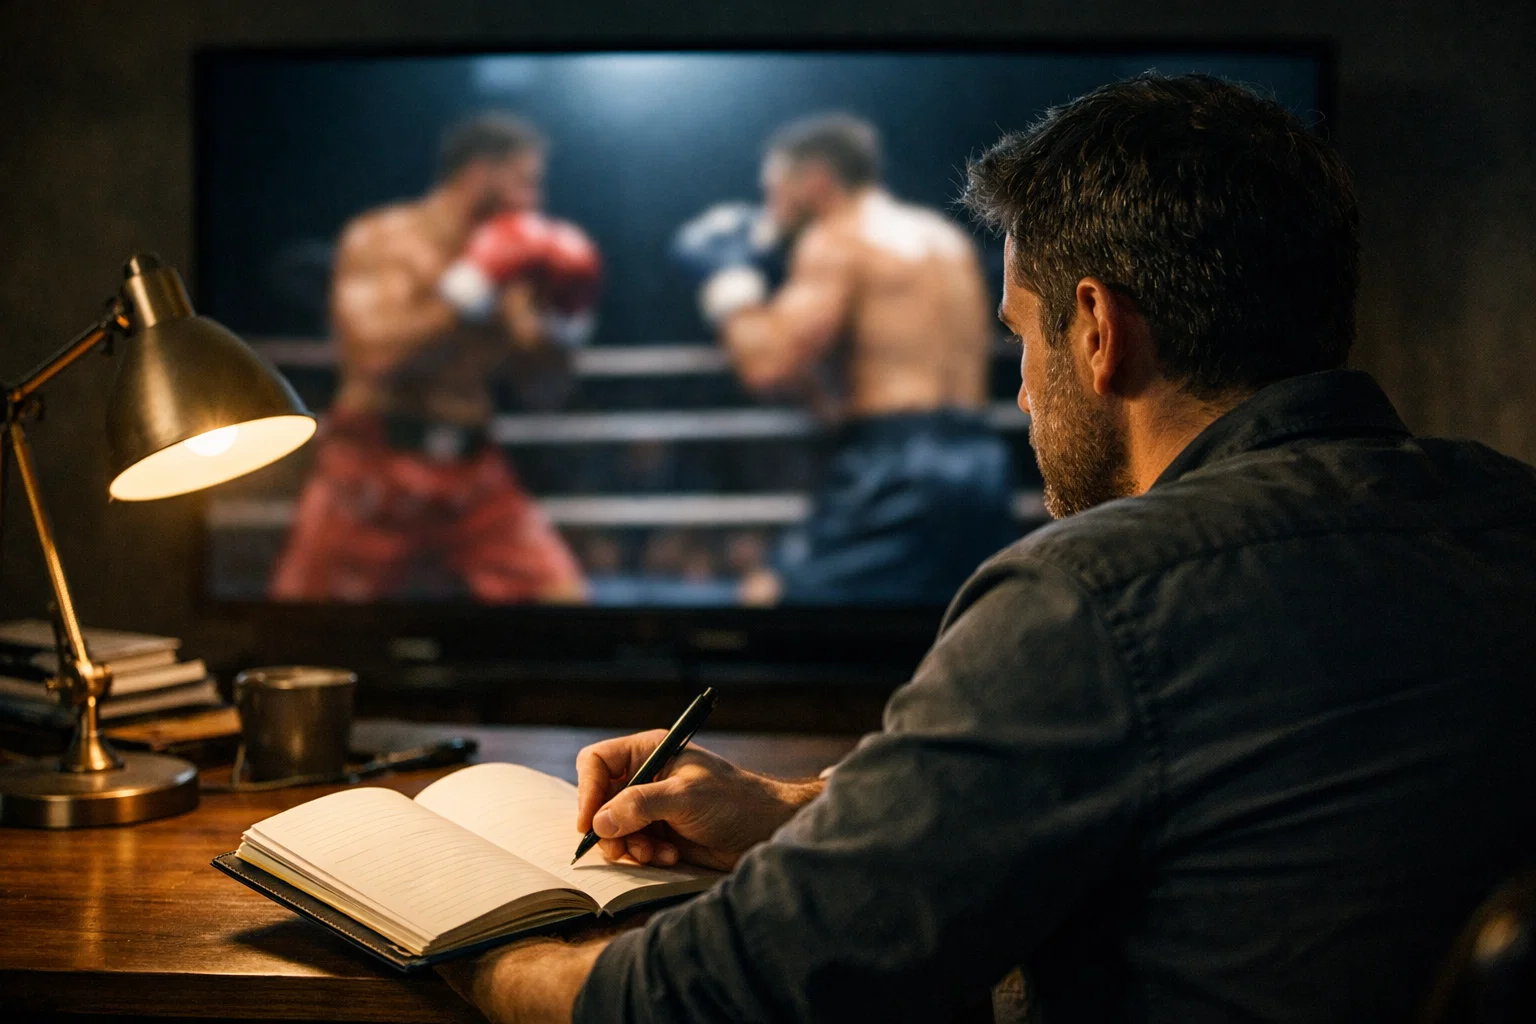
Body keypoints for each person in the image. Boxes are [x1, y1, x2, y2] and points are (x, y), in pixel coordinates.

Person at [443, 75, 1536, 1022]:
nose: (1017, 390)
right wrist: (793, 810)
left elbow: (721, 1000)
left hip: (880, 470)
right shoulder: (1504, 513)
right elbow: (1205, 773)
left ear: (1098, 330)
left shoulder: (1098, 597)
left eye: (1022, 335)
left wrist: (478, 940)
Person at [671, 114, 1017, 606]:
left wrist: (728, 283)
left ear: (814, 181)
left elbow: (766, 365)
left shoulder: (837, 239)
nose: (769, 207)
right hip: (980, 457)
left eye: (774, 188)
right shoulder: (943, 238)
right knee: (956, 622)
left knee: (770, 603)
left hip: (897, 465)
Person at [270, 112, 599, 603]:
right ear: (481, 173)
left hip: (472, 477)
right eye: (527, 182)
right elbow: (375, 358)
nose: (536, 201)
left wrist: (564, 320)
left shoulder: (517, 255)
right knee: (301, 630)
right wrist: (468, 290)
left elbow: (545, 393)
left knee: (566, 605)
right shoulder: (384, 239)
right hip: (374, 469)